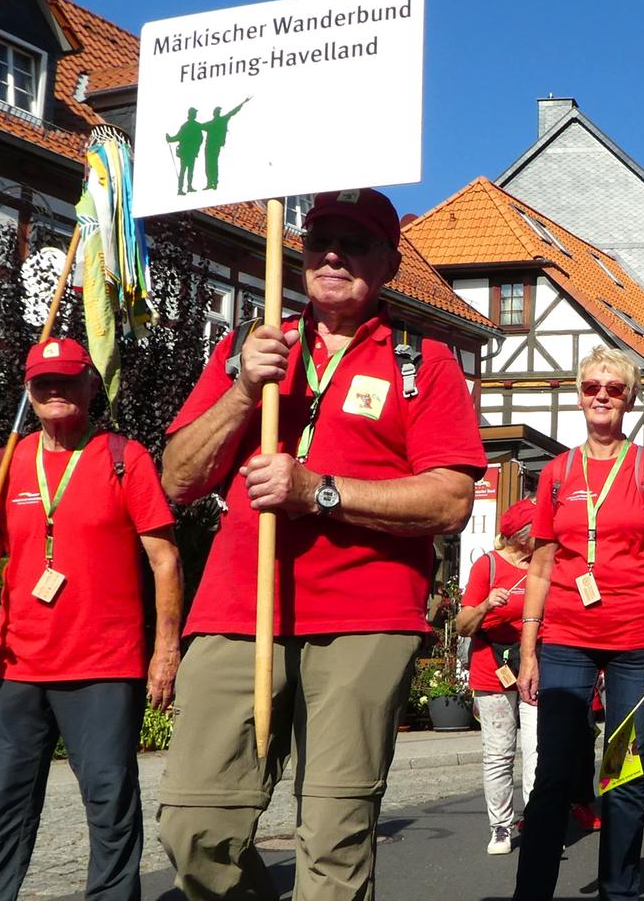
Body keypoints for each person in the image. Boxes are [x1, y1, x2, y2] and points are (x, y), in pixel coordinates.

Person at [156, 188, 486, 900]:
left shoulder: (421, 363)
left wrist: (321, 491)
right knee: (193, 830)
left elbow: (452, 501)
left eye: (355, 243)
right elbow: (178, 480)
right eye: (319, 240)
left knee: (334, 840)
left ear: (390, 264)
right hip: (239, 609)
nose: (333, 254)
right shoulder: (250, 349)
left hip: (366, 618)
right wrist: (244, 391)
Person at [0, 338, 181, 901]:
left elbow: (165, 558)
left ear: (91, 387)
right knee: (3, 801)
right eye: (43, 382)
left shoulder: (126, 457)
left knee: (108, 796)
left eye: (68, 380)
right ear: (28, 390)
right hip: (17, 664)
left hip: (102, 664)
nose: (55, 391)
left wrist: (165, 651)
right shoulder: (5, 464)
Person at [514, 347, 644, 901]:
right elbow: (540, 566)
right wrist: (528, 648)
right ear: (579, 394)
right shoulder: (558, 474)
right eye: (592, 387)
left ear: (631, 400)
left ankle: (619, 890)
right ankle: (531, 892)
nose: (602, 395)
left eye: (613, 388)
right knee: (553, 777)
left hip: (636, 645)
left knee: (622, 775)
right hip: (565, 641)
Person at [458, 500, 539, 856]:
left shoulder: (544, 566)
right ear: (521, 537)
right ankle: (501, 826)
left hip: (535, 666)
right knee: (498, 753)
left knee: (538, 750)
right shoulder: (487, 566)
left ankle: (536, 820)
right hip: (491, 668)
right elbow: (462, 625)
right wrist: (486, 605)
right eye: (538, 531)